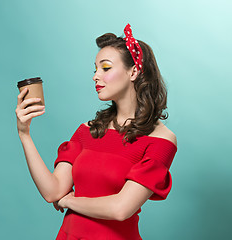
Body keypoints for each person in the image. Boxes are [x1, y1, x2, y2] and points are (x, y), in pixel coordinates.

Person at [15, 23, 177, 240]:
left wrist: (68, 201)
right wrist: (24, 134)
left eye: (106, 68)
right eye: (95, 69)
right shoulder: (87, 131)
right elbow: (52, 191)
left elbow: (121, 209)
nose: (95, 76)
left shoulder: (161, 140)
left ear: (134, 72)